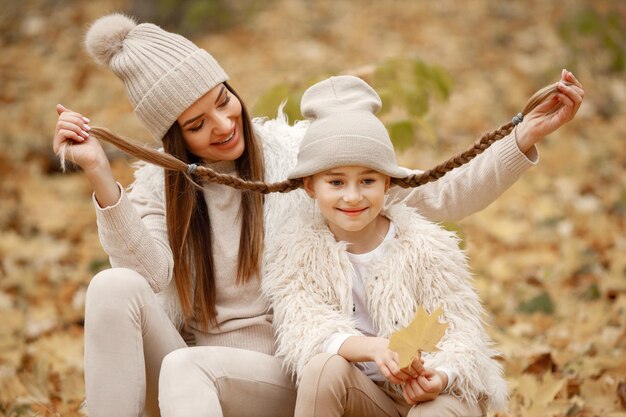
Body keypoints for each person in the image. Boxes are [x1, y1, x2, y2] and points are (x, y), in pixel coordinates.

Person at [52, 12, 584, 417]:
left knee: (186, 364)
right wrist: (101, 175)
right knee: (112, 288)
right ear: (175, 137)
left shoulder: (301, 158)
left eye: (223, 99)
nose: (221, 124)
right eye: (196, 123)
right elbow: (151, 278)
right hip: (186, 375)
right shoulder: (158, 190)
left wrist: (522, 138)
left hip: (294, 368)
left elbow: (436, 191)